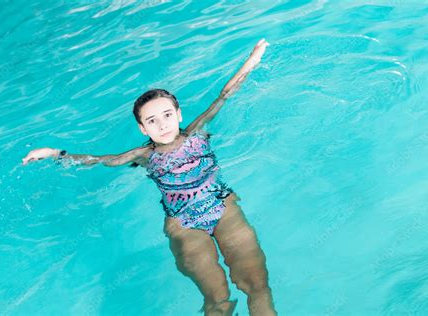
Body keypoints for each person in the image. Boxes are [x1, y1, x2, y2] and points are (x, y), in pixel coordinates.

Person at [23, 39, 277, 316]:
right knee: (217, 300)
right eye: (152, 121)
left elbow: (224, 95)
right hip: (183, 224)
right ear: (143, 128)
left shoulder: (196, 131)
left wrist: (252, 60)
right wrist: (53, 153)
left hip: (223, 208)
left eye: (167, 115)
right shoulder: (142, 155)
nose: (163, 124)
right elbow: (95, 161)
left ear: (178, 114)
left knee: (257, 285)